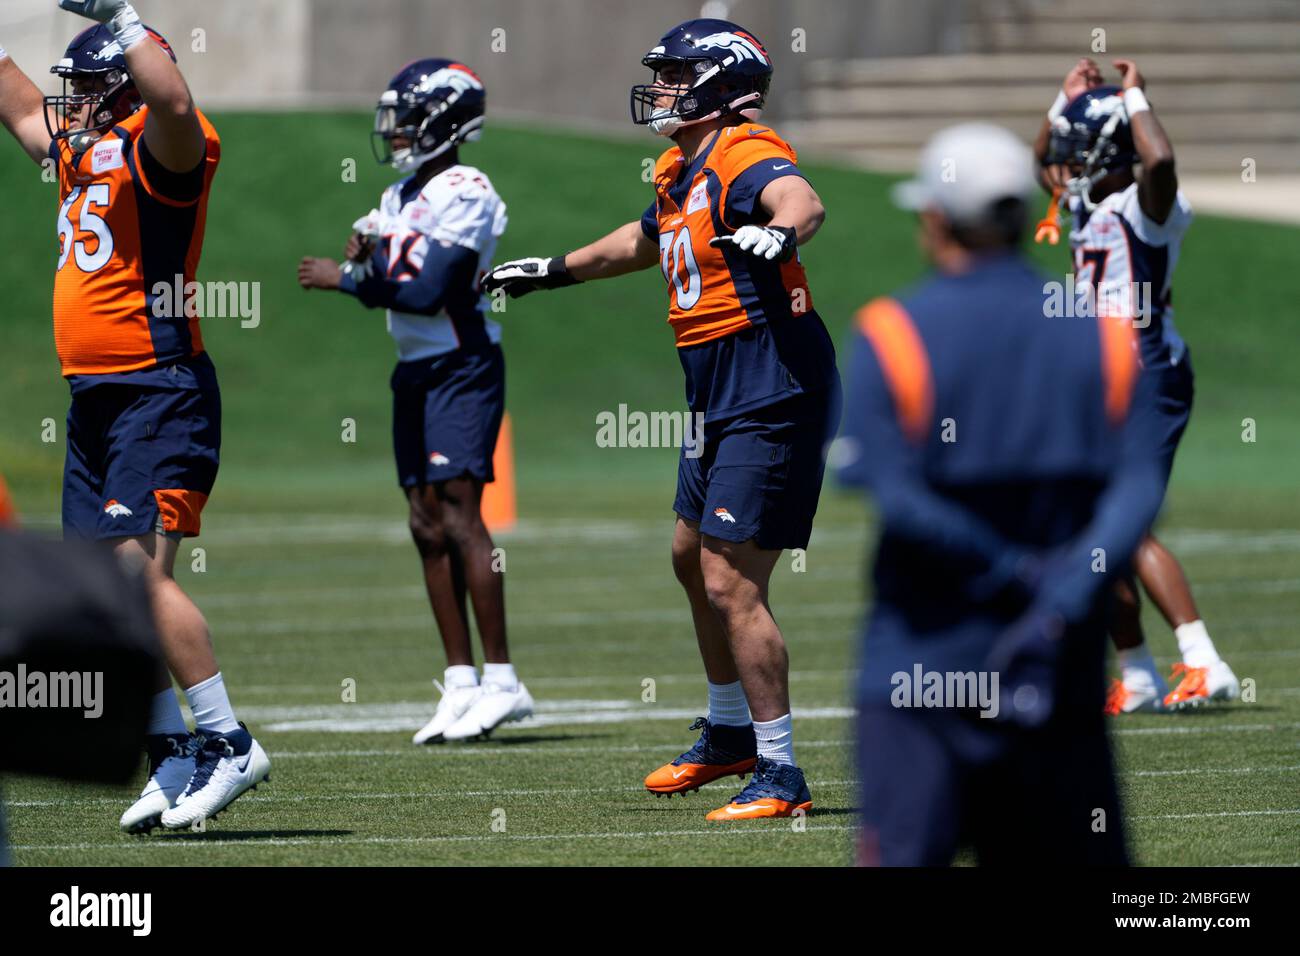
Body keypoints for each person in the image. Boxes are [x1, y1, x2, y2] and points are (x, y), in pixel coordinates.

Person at [482, 19, 840, 820]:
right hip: (717, 384)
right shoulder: (684, 164)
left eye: (678, 73)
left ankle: (780, 772)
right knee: (689, 555)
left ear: (721, 81)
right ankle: (727, 733)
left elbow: (802, 199)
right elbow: (647, 242)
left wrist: (776, 233)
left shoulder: (745, 151)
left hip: (771, 378)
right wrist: (552, 270)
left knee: (729, 578)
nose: (665, 87)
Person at [839, 123, 1165, 864]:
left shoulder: (894, 332)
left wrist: (1008, 569)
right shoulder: (1104, 332)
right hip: (1059, 675)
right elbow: (1139, 487)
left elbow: (898, 496)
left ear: (934, 220)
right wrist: (1061, 595)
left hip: (921, 673)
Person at [0, 0, 270, 832]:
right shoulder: (83, 154)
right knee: (111, 589)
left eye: (85, 90)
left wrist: (123, 17)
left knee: (135, 575)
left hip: (158, 386)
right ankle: (172, 754)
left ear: (123, 92)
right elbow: (13, 99)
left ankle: (226, 741)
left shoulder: (165, 150)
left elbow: (178, 105)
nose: (66, 105)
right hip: (96, 397)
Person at [299, 59, 530, 742]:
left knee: (462, 518)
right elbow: (392, 269)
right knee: (425, 524)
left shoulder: (468, 187)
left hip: (461, 367)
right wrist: (367, 256)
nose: (397, 131)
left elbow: (431, 292)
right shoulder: (399, 196)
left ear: (447, 122)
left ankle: (503, 680)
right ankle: (460, 682)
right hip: (415, 370)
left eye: (409, 118)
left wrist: (346, 278)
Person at [1034, 58, 1240, 713]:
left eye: (1079, 144)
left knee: (1122, 523)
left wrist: (1132, 99)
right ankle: (1141, 673)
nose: (1067, 159)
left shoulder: (1146, 205)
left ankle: (1205, 661)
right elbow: (1039, 158)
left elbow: (1160, 163)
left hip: (1147, 373)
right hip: (1097, 381)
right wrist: (1061, 102)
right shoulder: (1086, 199)